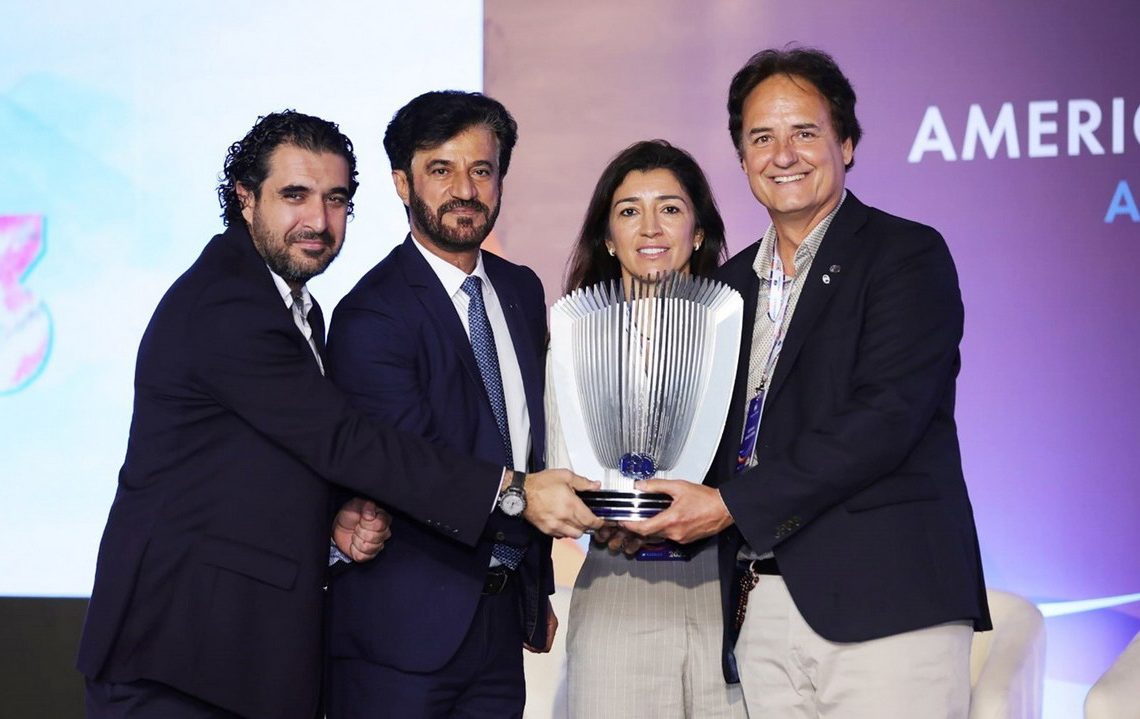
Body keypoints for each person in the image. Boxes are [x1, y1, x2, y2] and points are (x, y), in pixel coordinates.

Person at [77, 110, 600, 719]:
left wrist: (334, 523)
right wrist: (511, 493)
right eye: (294, 196)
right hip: (179, 653)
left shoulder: (289, 305)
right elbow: (346, 442)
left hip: (231, 651)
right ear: (245, 198)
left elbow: (273, 460)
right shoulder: (229, 305)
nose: (319, 221)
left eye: (336, 200)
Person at [625, 48, 992, 718]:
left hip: (888, 604)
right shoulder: (724, 290)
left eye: (804, 132)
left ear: (845, 144)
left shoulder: (905, 255)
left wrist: (730, 504)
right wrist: (629, 504)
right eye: (762, 138)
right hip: (758, 605)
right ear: (742, 159)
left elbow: (884, 418)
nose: (783, 155)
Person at [322, 91, 600, 718]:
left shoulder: (521, 289)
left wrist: (533, 589)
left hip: (500, 625)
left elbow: (525, 439)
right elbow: (411, 469)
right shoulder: (371, 314)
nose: (465, 190)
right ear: (402, 183)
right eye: (441, 170)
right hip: (401, 637)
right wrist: (523, 498)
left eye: (482, 170)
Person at [551, 140, 745, 718]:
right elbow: (559, 464)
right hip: (618, 586)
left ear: (699, 232)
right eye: (630, 210)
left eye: (670, 208)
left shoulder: (742, 333)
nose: (651, 227)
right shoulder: (571, 341)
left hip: (724, 588)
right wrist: (601, 516)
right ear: (608, 238)